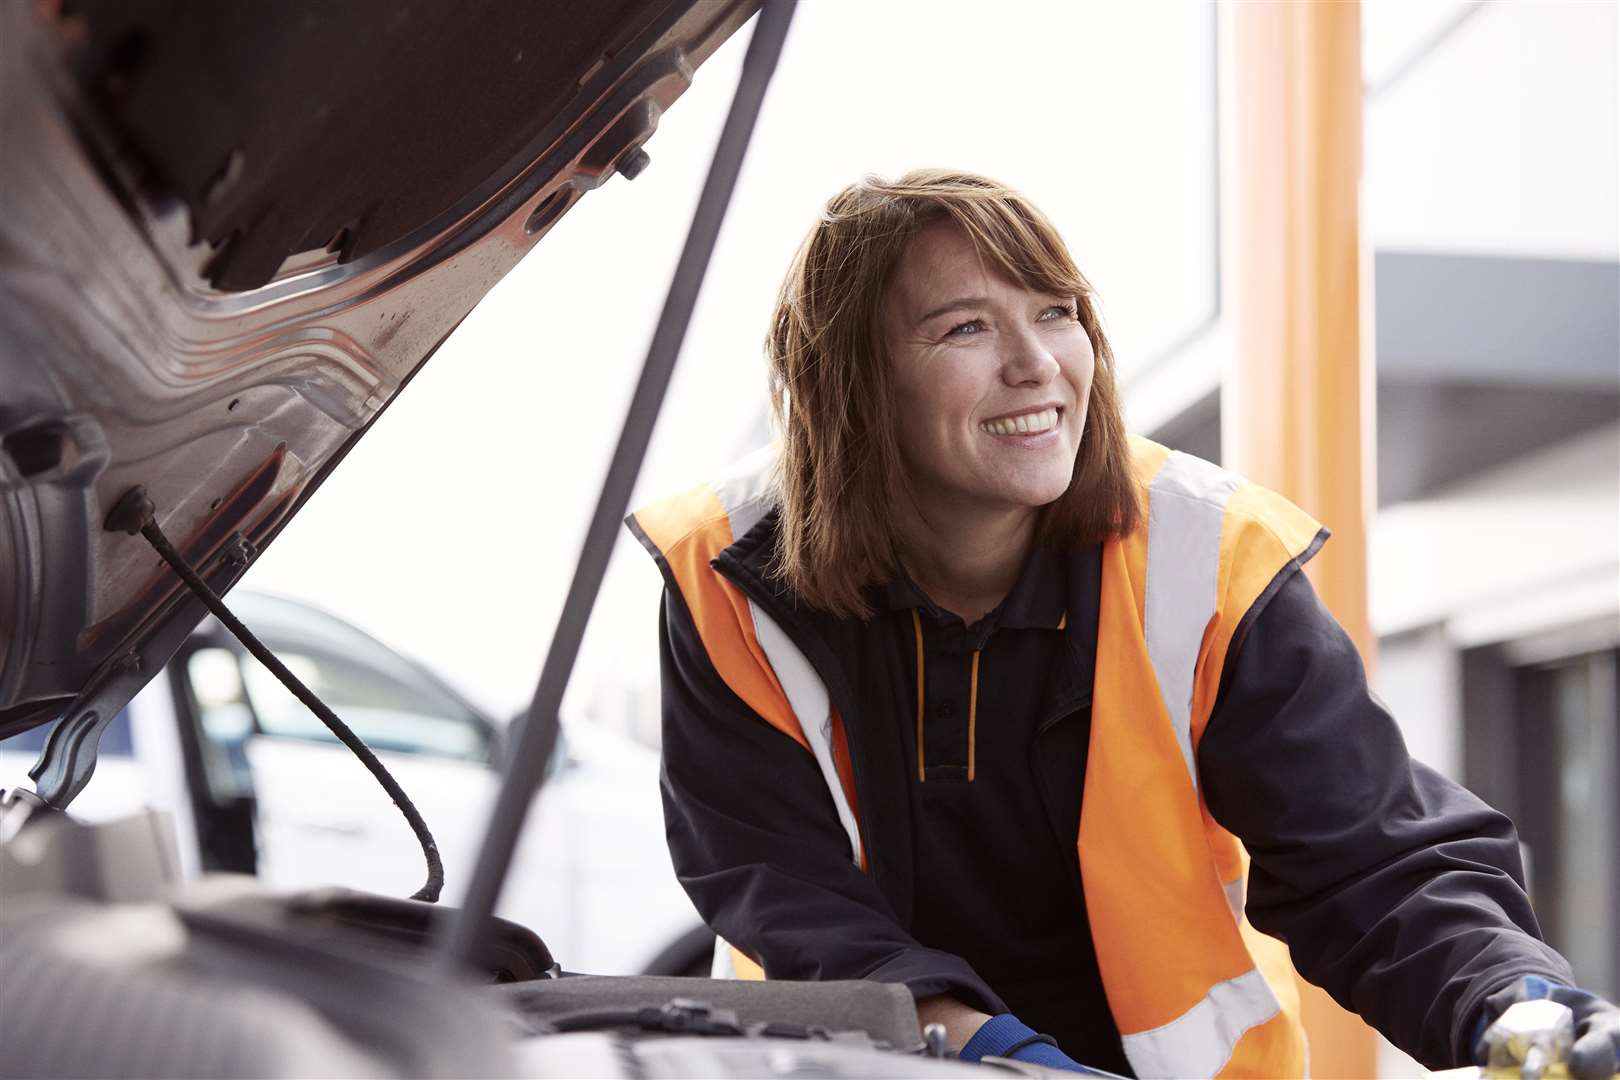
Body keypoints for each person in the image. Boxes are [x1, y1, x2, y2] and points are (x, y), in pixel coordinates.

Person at [625, 169, 1619, 1078]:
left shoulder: (1210, 554)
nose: (1035, 364)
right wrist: (1003, 1059)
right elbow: (789, 896)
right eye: (965, 327)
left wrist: (1513, 1005)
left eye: (1056, 315)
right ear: (852, 380)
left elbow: (1367, 857)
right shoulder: (727, 572)